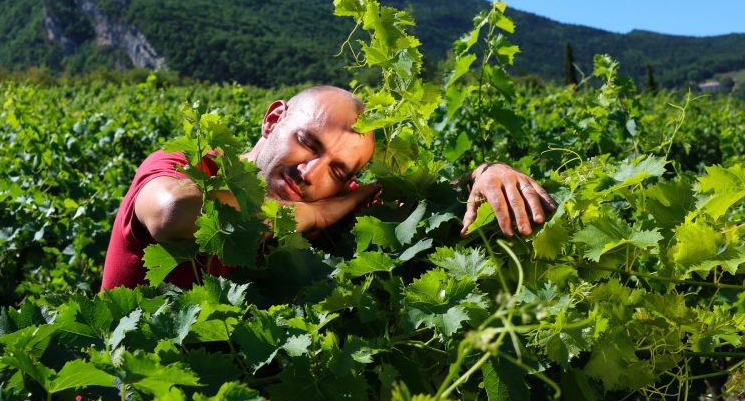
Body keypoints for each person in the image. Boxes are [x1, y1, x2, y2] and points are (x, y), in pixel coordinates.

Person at [101, 85, 555, 290]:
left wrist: (486, 173)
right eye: (307, 142)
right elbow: (172, 212)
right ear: (273, 118)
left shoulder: (341, 199)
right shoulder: (187, 166)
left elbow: (428, 204)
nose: (312, 173)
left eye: (338, 171)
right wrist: (313, 216)